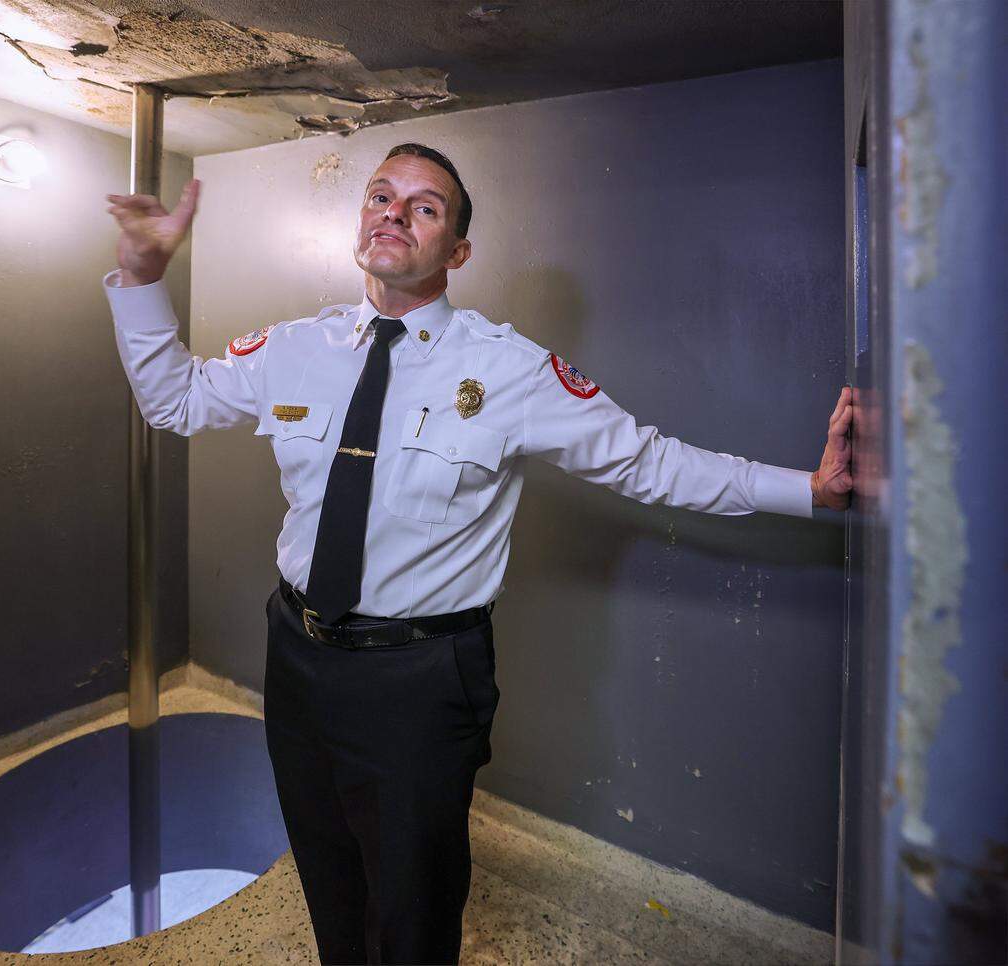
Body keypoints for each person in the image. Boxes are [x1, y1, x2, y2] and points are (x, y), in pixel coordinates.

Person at [103, 142, 853, 965]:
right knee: (327, 874)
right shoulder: (294, 347)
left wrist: (810, 489)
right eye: (381, 196)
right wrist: (142, 279)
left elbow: (652, 463)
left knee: (414, 905)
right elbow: (174, 401)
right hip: (299, 655)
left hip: (422, 681)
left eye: (424, 207)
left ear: (456, 252)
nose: (394, 212)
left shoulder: (511, 371)